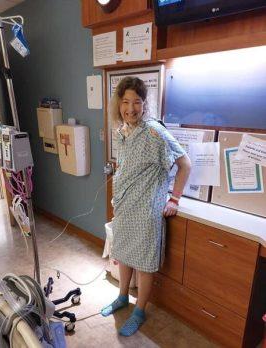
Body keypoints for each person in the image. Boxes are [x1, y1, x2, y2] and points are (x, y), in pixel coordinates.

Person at [101, 76, 191, 337]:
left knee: (145, 263)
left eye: (137, 102)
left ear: (144, 104)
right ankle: (122, 298)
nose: (131, 108)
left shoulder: (154, 133)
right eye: (126, 102)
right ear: (118, 104)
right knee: (125, 254)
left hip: (147, 211)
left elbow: (185, 164)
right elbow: (127, 168)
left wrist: (174, 199)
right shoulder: (122, 133)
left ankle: (139, 310)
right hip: (126, 208)